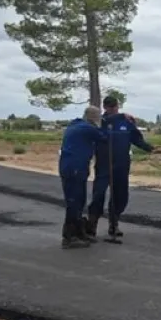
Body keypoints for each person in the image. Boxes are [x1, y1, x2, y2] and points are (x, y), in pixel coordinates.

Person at [86, 96, 161, 239]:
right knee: (98, 194)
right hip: (103, 165)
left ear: (117, 106)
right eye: (109, 107)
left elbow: (137, 139)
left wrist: (150, 149)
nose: (113, 109)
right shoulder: (100, 123)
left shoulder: (126, 123)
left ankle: (113, 224)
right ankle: (92, 225)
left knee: (120, 196)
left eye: (114, 106)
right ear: (105, 107)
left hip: (121, 165)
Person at [58, 106, 108, 248]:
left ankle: (79, 232)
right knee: (74, 201)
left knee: (79, 200)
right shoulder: (87, 128)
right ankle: (69, 237)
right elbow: (104, 137)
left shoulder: (75, 125)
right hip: (75, 167)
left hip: (72, 166)